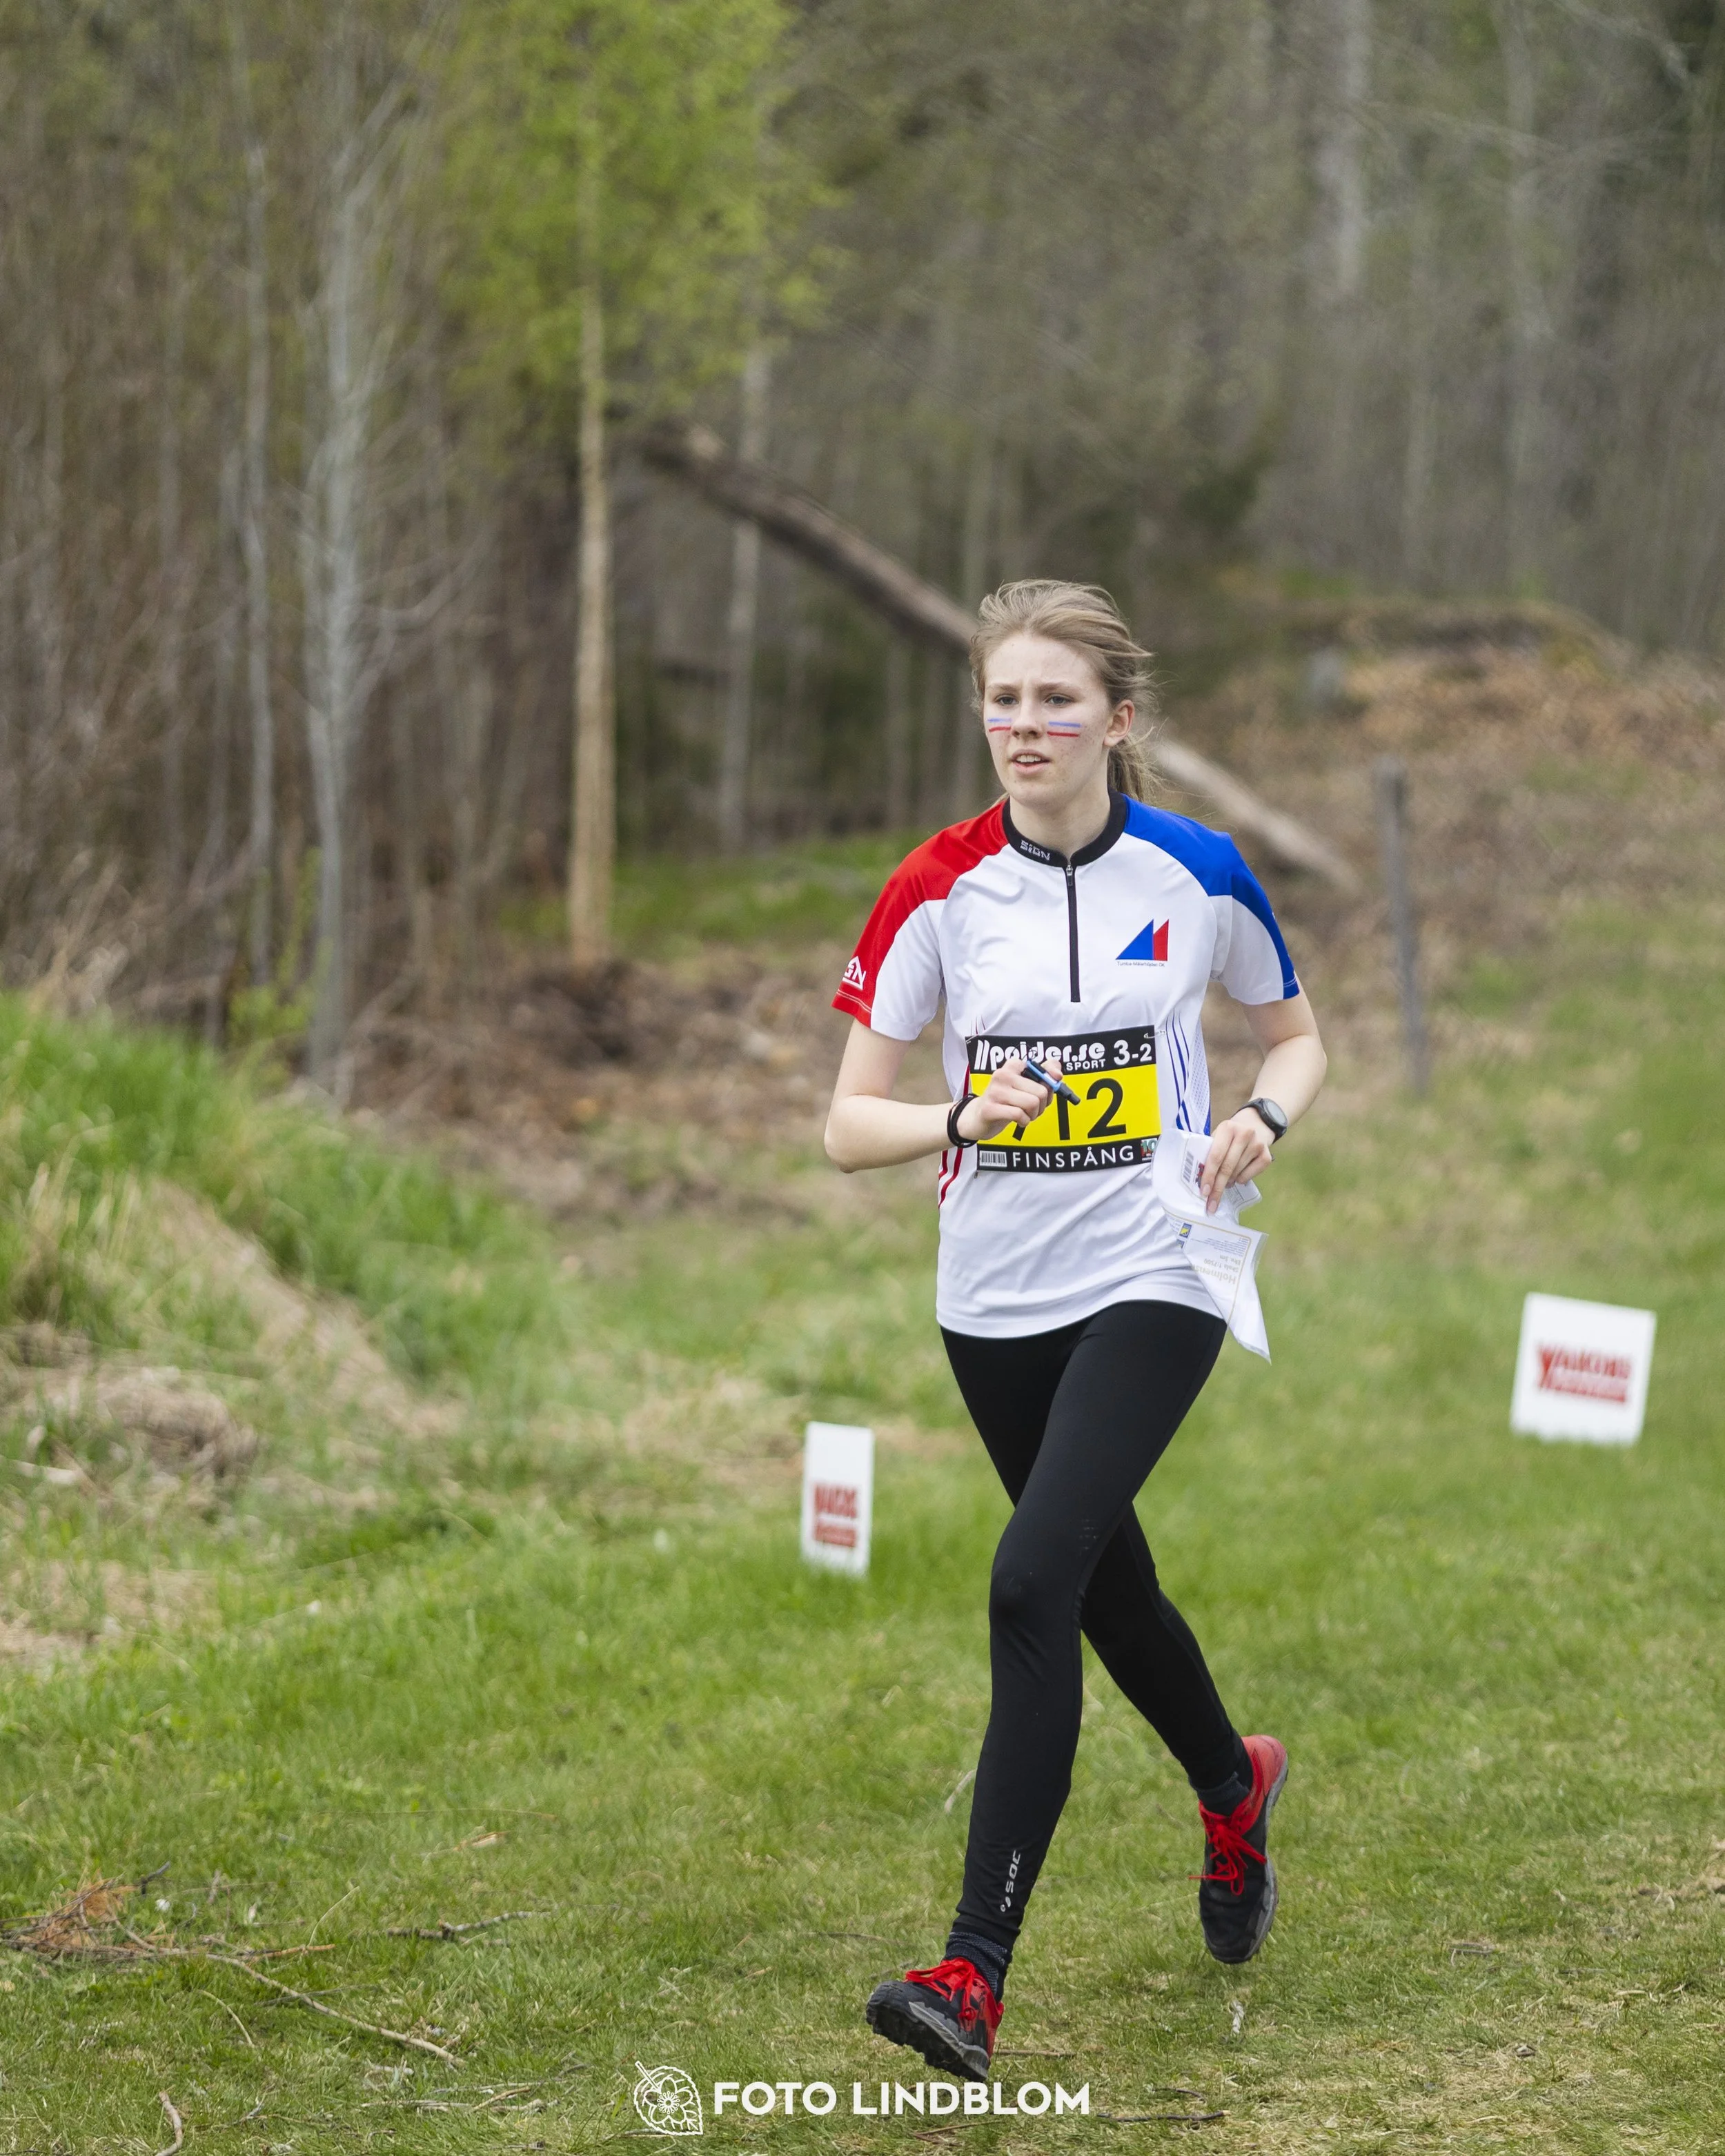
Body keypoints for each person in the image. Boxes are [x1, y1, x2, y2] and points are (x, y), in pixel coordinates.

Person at [823, 581, 1328, 2083]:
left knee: (1030, 1571)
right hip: (989, 1295)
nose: (1024, 726)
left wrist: (1257, 1117)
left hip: (1157, 1261)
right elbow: (847, 1121)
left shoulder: (1200, 868)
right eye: (1002, 700)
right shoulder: (931, 889)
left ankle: (968, 1976)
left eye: (1056, 700)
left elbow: (1294, 1034)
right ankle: (1231, 1784)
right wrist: (953, 1113)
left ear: (1116, 718)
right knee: (1106, 1590)